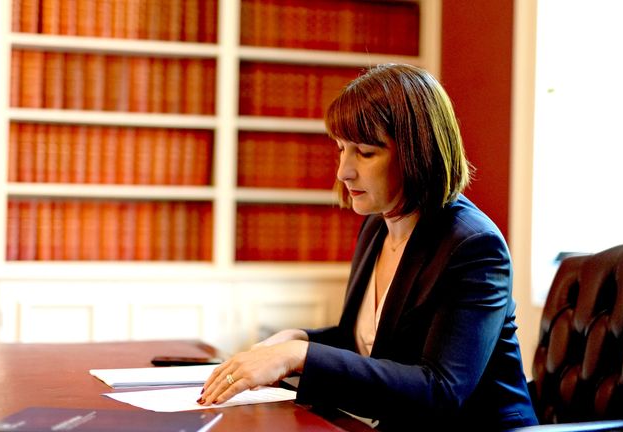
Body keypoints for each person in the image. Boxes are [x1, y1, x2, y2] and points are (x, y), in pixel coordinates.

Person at [198, 63, 538, 430]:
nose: (343, 171)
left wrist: (301, 356)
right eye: (341, 149)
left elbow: (441, 390)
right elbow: (365, 343)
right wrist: (296, 339)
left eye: (364, 152)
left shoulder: (473, 246)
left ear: (416, 152)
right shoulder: (377, 227)